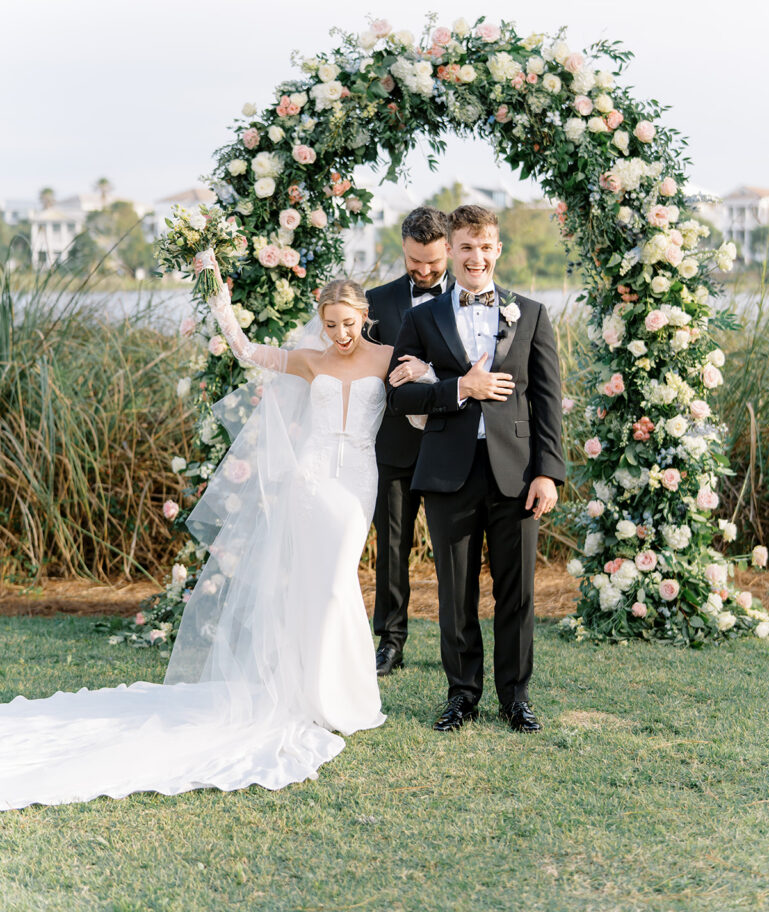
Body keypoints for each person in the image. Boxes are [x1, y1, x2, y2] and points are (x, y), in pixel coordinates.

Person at [0, 260, 425, 810]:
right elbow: (250, 354)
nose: (341, 335)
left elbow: (422, 403)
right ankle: (315, 694)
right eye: (331, 324)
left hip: (357, 480)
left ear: (365, 318)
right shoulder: (308, 360)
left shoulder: (390, 358)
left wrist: (424, 376)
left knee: (338, 579)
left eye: (349, 323)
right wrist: (220, 304)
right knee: (318, 584)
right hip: (311, 478)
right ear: (321, 323)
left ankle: (343, 694)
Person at [387, 205, 566, 734]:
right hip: (448, 473)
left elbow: (548, 401)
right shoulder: (422, 318)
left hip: (516, 474)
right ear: (451, 249)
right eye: (466, 246)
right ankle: (462, 695)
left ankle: (516, 698)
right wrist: (459, 387)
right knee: (455, 590)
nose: (476, 257)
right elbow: (399, 398)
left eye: (486, 247)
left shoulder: (530, 313)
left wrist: (547, 473)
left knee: (518, 591)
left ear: (498, 251)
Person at [365, 207, 453, 676]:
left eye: (433, 264)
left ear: (449, 251)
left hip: (447, 446)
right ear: (403, 249)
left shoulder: (469, 297)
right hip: (393, 447)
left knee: (452, 553)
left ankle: (454, 643)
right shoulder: (375, 302)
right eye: (414, 262)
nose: (423, 271)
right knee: (392, 549)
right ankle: (390, 641)